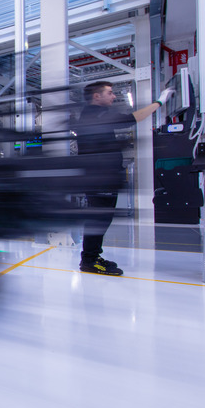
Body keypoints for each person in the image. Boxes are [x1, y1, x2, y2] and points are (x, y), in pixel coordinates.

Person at [75, 81, 174, 275]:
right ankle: (89, 260)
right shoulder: (94, 114)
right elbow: (131, 119)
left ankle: (92, 256)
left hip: (102, 176)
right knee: (99, 219)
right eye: (110, 93)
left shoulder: (94, 115)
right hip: (98, 178)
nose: (113, 96)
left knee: (102, 219)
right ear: (97, 96)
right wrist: (159, 102)